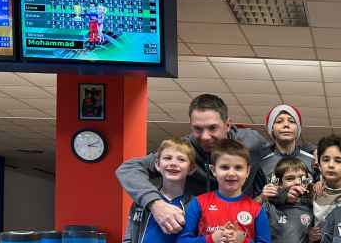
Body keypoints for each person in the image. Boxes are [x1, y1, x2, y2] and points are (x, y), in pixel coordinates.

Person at [116, 93, 270, 235]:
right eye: (197, 129)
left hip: (240, 232)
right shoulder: (183, 152)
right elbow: (128, 169)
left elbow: (277, 164)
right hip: (195, 234)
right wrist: (156, 204)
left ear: (228, 125)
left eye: (212, 128)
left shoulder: (251, 143)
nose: (205, 136)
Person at [255, 104, 316, 192]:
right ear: (271, 128)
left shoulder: (313, 161)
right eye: (279, 121)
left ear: (298, 128)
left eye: (292, 121)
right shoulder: (262, 163)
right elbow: (254, 198)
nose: (286, 125)